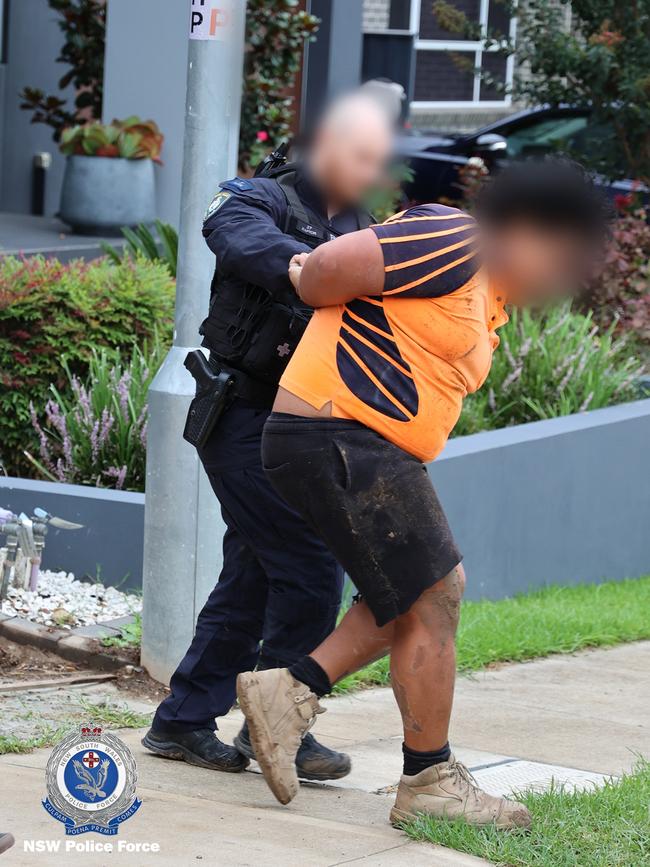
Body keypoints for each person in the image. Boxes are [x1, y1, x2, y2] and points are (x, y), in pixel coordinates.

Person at [235, 159, 611, 827]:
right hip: (337, 426)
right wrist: (301, 271)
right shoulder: (452, 237)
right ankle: (428, 778)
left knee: (416, 592)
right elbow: (324, 270)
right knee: (436, 592)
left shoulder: (485, 289)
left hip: (358, 440)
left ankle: (287, 692)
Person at [143, 93, 394, 780]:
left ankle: (183, 720)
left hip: (300, 422)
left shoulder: (358, 219)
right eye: (359, 153)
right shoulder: (263, 198)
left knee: (254, 572)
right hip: (243, 415)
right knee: (311, 568)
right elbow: (230, 232)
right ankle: (277, 723)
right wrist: (303, 267)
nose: (368, 170)